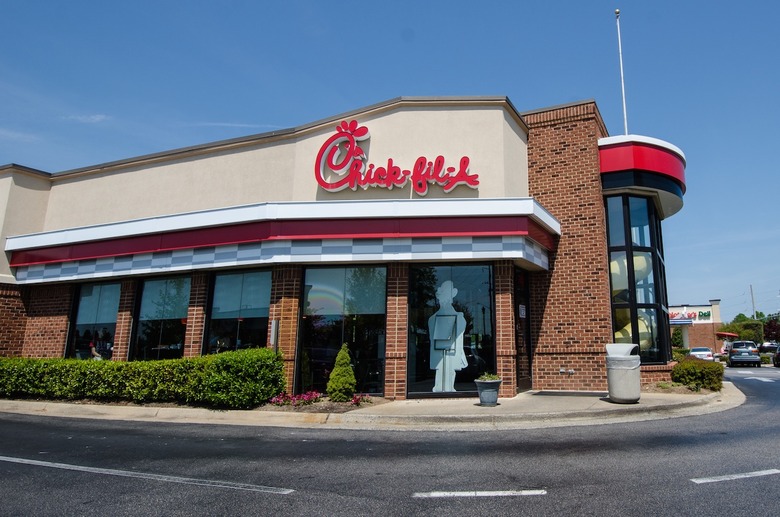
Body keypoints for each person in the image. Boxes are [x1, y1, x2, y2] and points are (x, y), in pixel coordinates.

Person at [428, 280, 467, 392]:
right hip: (440, 349)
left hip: (452, 349)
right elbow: (432, 339)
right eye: (442, 293)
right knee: (440, 367)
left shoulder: (459, 317)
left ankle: (448, 387)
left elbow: (459, 337)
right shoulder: (433, 319)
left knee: (450, 367)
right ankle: (439, 387)